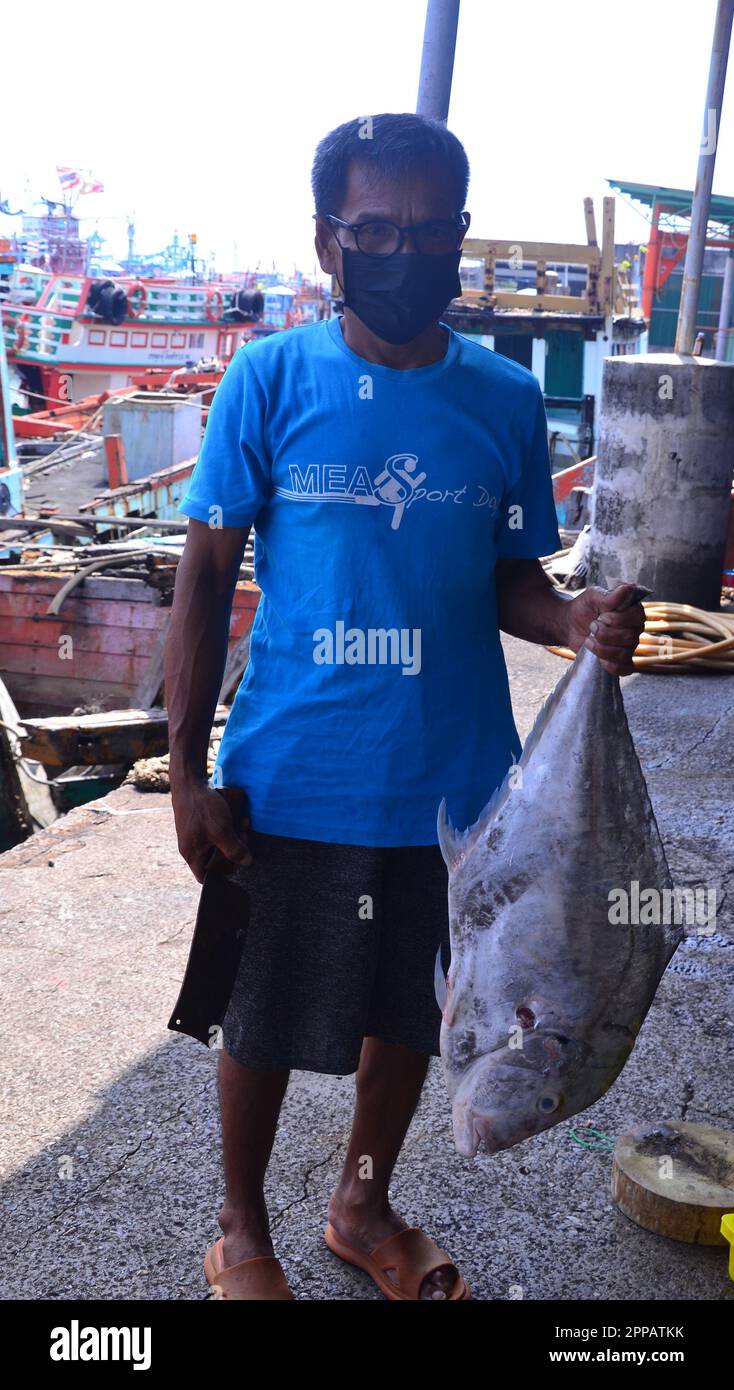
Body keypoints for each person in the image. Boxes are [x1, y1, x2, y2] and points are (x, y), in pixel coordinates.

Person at [164, 113, 645, 1302]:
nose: (401, 251)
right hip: (291, 770)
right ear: (327, 241)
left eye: (428, 232)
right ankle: (240, 1225)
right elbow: (207, 572)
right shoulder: (266, 376)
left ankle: (359, 1201)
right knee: (262, 1017)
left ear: (460, 242)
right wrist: (184, 767)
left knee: (407, 1019)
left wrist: (575, 625)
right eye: (373, 229)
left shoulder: (502, 398)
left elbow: (513, 584)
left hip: (457, 787)